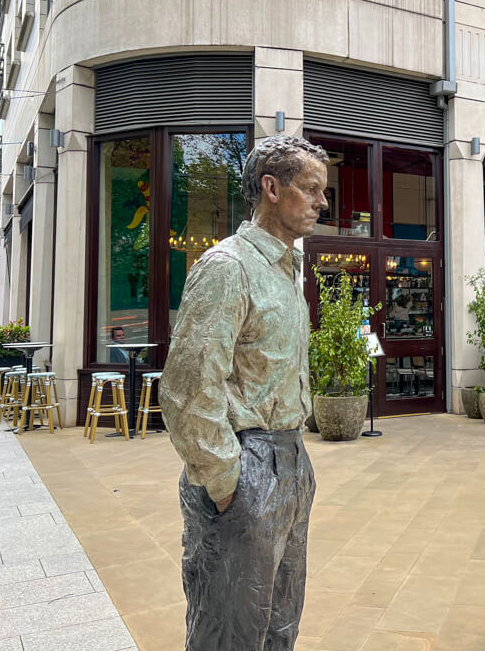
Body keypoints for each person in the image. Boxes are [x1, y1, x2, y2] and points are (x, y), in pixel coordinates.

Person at [160, 134, 328, 651]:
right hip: (246, 467)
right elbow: (188, 389)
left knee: (279, 624)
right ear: (271, 188)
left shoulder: (286, 271)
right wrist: (228, 482)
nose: (323, 203)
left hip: (291, 461)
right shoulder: (227, 266)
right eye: (312, 189)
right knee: (229, 632)